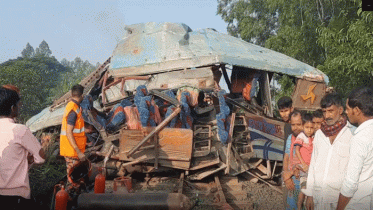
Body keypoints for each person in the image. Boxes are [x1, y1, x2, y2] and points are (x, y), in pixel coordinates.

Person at [303, 93, 354, 209]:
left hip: (339, 200)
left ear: (340, 110)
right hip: (317, 197)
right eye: (324, 112)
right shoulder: (320, 134)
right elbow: (313, 165)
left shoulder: (351, 134)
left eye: (331, 111)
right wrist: (309, 195)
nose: (327, 116)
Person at [0, 87, 45, 209]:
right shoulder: (21, 130)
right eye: (18, 105)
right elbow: (41, 158)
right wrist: (29, 159)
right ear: (12, 108)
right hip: (16, 196)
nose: (19, 108)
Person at [336, 87, 373, 210]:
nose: (346, 112)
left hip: (359, 203)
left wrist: (339, 207)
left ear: (357, 110)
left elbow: (350, 184)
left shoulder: (360, 138)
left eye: (347, 108)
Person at [60, 84, 87, 184]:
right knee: (73, 180)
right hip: (72, 152)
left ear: (71, 94)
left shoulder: (73, 107)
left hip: (72, 151)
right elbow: (68, 132)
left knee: (74, 179)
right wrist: (78, 151)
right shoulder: (73, 110)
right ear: (82, 96)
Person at [294, 113, 315, 210]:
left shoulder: (314, 137)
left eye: (311, 127)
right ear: (303, 126)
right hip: (303, 168)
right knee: (303, 189)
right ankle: (299, 207)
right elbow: (297, 151)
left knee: (311, 190)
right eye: (307, 127)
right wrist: (303, 164)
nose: (309, 130)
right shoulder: (301, 136)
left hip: (311, 168)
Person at [283, 110, 304, 210]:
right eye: (293, 124)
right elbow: (286, 157)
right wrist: (286, 177)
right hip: (292, 180)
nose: (296, 127)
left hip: (305, 181)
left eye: (299, 124)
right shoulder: (290, 138)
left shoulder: (309, 138)